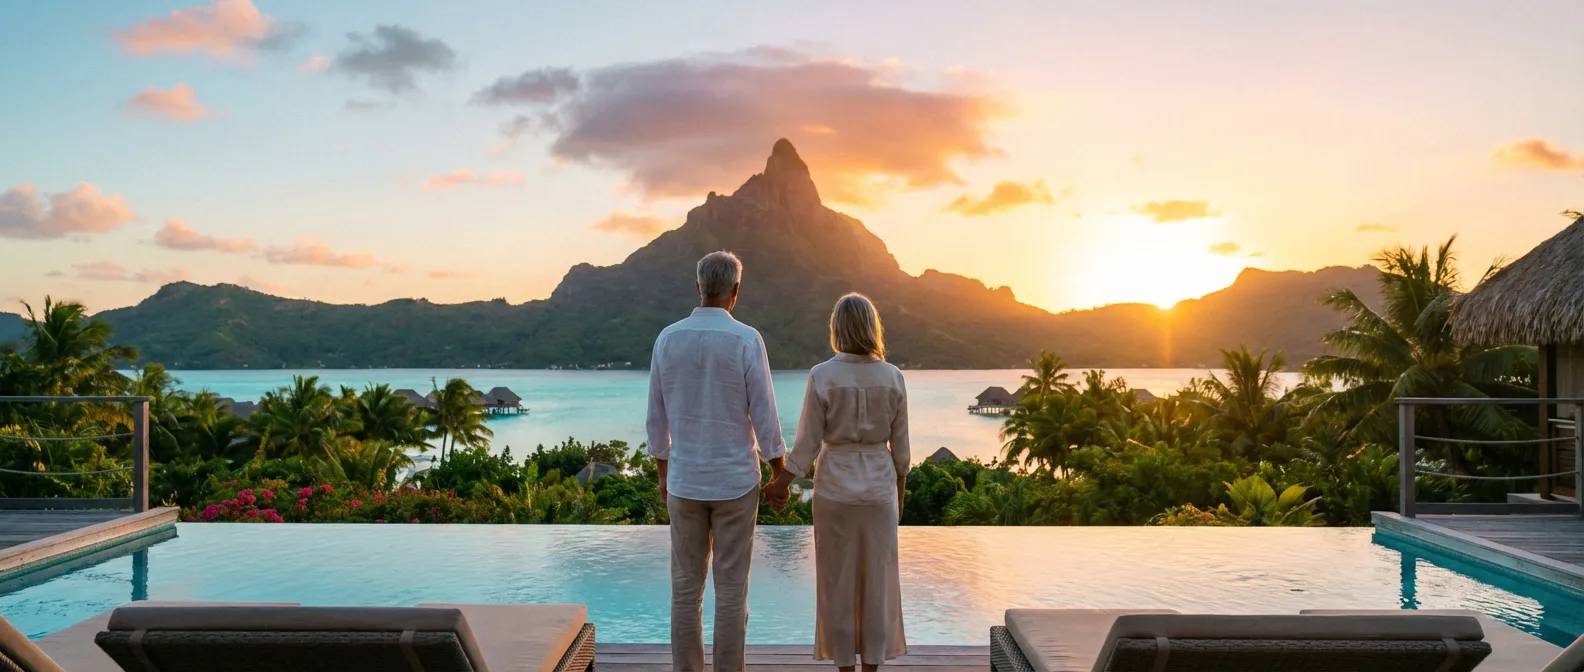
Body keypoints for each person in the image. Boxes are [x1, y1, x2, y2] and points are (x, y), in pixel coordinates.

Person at [647, 250, 786, 672]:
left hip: (685, 482)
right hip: (735, 484)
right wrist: (779, 472)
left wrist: (663, 473)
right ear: (735, 292)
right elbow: (764, 414)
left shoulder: (668, 338)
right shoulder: (746, 339)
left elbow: (656, 415)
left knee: (685, 591)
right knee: (731, 592)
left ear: (698, 288)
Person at [766, 292, 909, 672]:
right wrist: (899, 496)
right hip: (880, 491)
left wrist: (779, 485)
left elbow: (807, 444)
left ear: (838, 329)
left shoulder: (822, 375)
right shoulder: (893, 376)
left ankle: (844, 665)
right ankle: (872, 667)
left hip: (834, 491)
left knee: (837, 583)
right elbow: (903, 452)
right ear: (872, 328)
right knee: (878, 583)